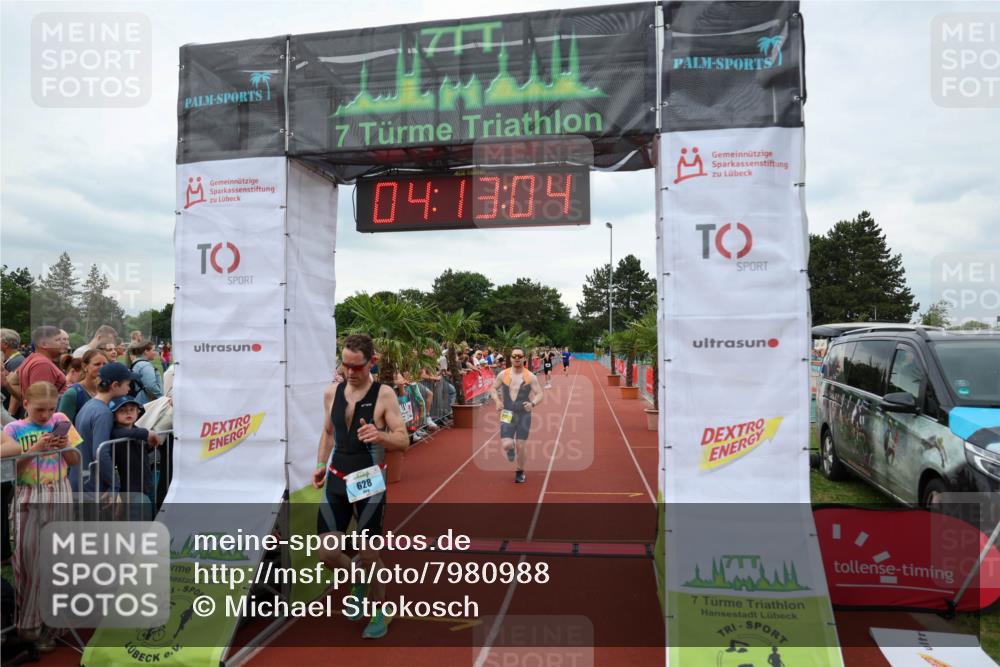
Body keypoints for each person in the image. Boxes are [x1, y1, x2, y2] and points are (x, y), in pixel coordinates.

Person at [312, 334, 408, 640]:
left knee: (369, 556)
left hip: (369, 483)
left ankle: (380, 610)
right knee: (326, 554)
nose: (351, 373)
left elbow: (403, 440)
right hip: (338, 478)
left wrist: (381, 436)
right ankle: (359, 581)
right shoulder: (331, 393)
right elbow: (328, 433)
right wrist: (319, 465)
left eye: (358, 367)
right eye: (346, 365)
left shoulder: (385, 395)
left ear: (372, 362)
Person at [2, 381, 82, 651]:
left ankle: (53, 624)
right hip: (29, 493)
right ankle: (29, 623)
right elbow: (12, 468)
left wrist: (64, 446)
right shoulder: (13, 428)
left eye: (50, 409)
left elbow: (74, 460)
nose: (46, 416)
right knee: (28, 559)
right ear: (25, 404)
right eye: (40, 410)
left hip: (60, 491)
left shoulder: (61, 420)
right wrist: (34, 450)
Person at [71, 362, 140, 496]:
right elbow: (101, 453)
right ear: (115, 385)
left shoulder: (90, 405)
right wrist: (114, 484)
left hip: (80, 479)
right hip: (91, 485)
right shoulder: (103, 413)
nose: (129, 388)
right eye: (127, 384)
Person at [491, 347, 544, 484]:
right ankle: (510, 449)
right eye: (514, 356)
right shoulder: (503, 374)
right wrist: (497, 401)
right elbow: (493, 388)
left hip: (523, 413)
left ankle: (520, 471)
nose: (517, 358)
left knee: (521, 444)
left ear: (524, 358)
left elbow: (540, 394)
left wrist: (532, 404)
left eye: (519, 356)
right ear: (510, 358)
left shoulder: (530, 376)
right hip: (507, 412)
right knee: (507, 444)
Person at [108, 395, 160, 516]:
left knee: (151, 513)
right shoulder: (116, 432)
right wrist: (147, 433)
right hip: (131, 488)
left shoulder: (138, 431)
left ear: (138, 411)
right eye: (122, 410)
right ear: (114, 415)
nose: (128, 413)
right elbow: (122, 434)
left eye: (132, 409)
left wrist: (149, 445)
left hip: (146, 483)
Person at [14, 327, 69, 414]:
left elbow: (12, 381)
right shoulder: (42, 364)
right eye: (58, 340)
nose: (63, 342)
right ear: (44, 344)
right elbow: (41, 401)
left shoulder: (34, 358)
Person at [58, 349, 108, 425]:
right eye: (97, 364)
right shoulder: (72, 394)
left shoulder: (109, 391)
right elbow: (62, 427)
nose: (102, 367)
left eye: (105, 364)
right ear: (84, 366)